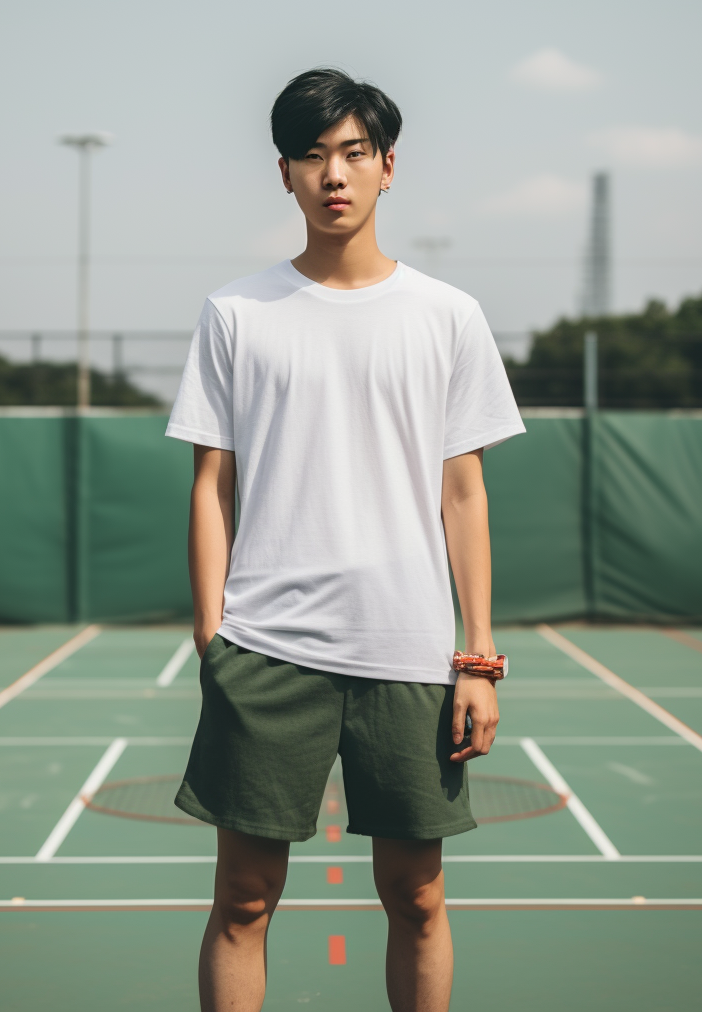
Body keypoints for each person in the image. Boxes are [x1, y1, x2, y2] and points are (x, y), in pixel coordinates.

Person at [165, 67, 525, 1012]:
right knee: (243, 900)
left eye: (354, 153)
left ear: (388, 167)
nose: (335, 174)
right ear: (283, 172)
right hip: (267, 650)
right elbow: (212, 486)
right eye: (313, 155)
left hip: (408, 651)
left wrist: (477, 660)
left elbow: (463, 491)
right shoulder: (235, 313)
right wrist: (214, 637)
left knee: (417, 899)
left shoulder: (449, 315)